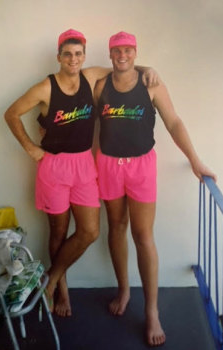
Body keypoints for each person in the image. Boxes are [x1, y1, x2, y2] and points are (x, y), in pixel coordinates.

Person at [4, 29, 159, 318]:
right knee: (59, 231)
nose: (73, 59)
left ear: (84, 56)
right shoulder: (45, 87)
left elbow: (124, 65)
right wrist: (30, 148)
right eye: (67, 54)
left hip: (85, 165)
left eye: (78, 54)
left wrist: (147, 68)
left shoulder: (90, 77)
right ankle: (61, 293)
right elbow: (11, 113)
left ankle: (48, 279)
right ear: (59, 57)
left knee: (89, 231)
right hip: (55, 167)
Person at [93, 31, 217, 347]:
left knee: (143, 235)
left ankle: (152, 312)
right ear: (110, 54)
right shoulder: (100, 84)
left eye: (129, 50)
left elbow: (174, 122)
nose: (122, 55)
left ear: (135, 52)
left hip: (141, 167)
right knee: (116, 227)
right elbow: (77, 81)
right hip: (107, 163)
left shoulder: (152, 85)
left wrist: (195, 160)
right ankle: (124, 290)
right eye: (117, 50)